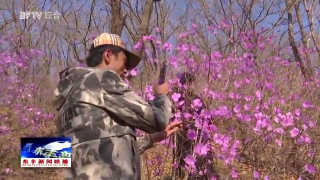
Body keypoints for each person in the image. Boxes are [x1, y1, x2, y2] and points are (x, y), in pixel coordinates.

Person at [53, 33, 180, 180]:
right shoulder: (100, 79)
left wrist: (150, 139)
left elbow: (92, 151)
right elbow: (157, 120)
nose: (126, 70)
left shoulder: (67, 99)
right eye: (124, 62)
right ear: (108, 55)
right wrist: (161, 96)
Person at [172, 72, 219, 180]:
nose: (192, 85)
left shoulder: (177, 99)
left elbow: (208, 119)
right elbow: (208, 120)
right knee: (192, 160)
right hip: (191, 136)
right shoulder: (183, 99)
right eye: (190, 83)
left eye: (192, 83)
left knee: (188, 160)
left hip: (188, 135)